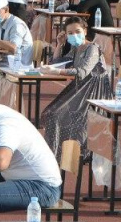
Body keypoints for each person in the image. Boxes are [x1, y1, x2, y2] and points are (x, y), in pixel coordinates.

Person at [39, 16, 112, 156]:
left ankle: (67, 151)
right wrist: (59, 44)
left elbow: (82, 72)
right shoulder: (75, 48)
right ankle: (54, 152)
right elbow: (57, 62)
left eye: (77, 31)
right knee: (50, 113)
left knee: (56, 114)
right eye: (70, 33)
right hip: (80, 88)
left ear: (85, 31)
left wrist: (57, 71)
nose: (74, 35)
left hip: (94, 91)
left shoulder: (92, 48)